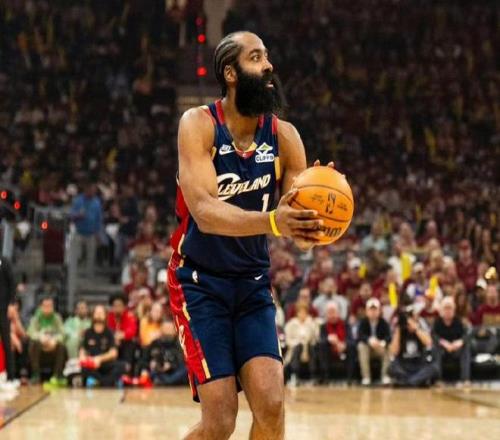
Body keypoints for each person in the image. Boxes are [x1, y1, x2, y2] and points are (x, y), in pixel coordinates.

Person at [168, 31, 331, 440]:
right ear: (231, 73)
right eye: (256, 58)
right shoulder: (199, 125)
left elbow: (299, 234)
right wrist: (275, 221)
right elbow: (205, 213)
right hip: (199, 283)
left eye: (267, 57)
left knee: (272, 407)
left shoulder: (285, 137)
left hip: (252, 283)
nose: (269, 65)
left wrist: (319, 215)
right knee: (220, 422)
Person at [388, 307, 439, 387]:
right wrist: (398, 329)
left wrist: (415, 328)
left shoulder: (420, 329)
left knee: (434, 368)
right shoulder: (400, 332)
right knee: (391, 367)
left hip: (419, 366)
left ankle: (408, 382)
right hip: (404, 367)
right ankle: (415, 381)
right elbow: (394, 352)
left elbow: (428, 343)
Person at [80, 305, 126, 387]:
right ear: (93, 315)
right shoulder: (88, 332)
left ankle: (101, 381)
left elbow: (113, 353)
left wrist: (99, 359)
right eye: (97, 313)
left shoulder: (110, 332)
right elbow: (83, 350)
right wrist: (85, 359)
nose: (99, 315)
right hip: (92, 364)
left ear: (105, 316)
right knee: (83, 368)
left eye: (101, 313)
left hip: (106, 363)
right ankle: (107, 381)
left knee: (122, 366)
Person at [27, 297, 67, 385]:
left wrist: (54, 340)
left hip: (53, 346)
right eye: (45, 306)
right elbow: (31, 332)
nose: (48, 308)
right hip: (40, 346)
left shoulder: (57, 318)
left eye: (50, 306)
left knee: (61, 345)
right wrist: (41, 338)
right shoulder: (36, 318)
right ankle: (36, 375)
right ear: (41, 307)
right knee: (33, 343)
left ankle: (57, 375)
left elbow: (63, 334)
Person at [432, 297, 471, 385]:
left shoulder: (459, 321)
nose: (448, 311)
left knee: (466, 348)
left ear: (454, 310)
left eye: (450, 308)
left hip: (456, 349)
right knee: (435, 349)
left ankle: (465, 379)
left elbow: (466, 335)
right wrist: (444, 343)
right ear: (441, 310)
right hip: (442, 349)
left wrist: (460, 342)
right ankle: (438, 379)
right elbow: (433, 336)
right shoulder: (437, 322)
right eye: (446, 308)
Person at [70, 180, 103, 278]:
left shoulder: (97, 202)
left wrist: (98, 234)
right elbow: (71, 215)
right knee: (76, 255)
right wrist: (78, 215)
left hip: (91, 233)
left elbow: (98, 219)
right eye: (91, 190)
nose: (93, 192)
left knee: (91, 256)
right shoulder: (78, 200)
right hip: (79, 232)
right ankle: (73, 274)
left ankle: (89, 275)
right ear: (86, 189)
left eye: (94, 190)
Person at [139, 320, 188, 386]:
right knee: (151, 372)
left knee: (185, 369)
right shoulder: (155, 343)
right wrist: (150, 365)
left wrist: (171, 365)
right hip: (158, 371)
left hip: (174, 371)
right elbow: (145, 358)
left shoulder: (179, 343)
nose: (167, 331)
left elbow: (181, 359)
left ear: (174, 330)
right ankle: (164, 381)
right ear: (161, 329)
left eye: (169, 329)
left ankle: (165, 381)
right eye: (165, 328)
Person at [357, 298, 391, 385]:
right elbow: (360, 336)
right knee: (361, 346)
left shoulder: (384, 323)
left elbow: (389, 337)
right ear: (366, 311)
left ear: (379, 311)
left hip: (379, 348)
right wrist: (369, 340)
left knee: (389, 349)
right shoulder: (363, 322)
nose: (373, 312)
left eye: (375, 310)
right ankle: (366, 377)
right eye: (371, 310)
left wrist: (382, 343)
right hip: (367, 348)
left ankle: (385, 376)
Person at [283, 303, 318, 385]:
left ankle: (313, 376)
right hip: (295, 349)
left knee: (311, 348)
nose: (302, 314)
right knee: (298, 347)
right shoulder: (291, 324)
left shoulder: (311, 323)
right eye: (300, 312)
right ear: (297, 313)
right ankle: (295, 375)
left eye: (304, 312)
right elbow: (288, 340)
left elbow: (315, 338)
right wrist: (297, 342)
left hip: (308, 349)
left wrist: (306, 340)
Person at [317, 301, 349, 384]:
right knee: (322, 345)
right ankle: (325, 377)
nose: (332, 315)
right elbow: (321, 339)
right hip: (329, 350)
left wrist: (344, 344)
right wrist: (328, 339)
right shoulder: (323, 326)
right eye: (329, 313)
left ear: (338, 313)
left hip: (343, 349)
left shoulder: (345, 324)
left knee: (352, 347)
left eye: (333, 312)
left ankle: (350, 378)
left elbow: (351, 339)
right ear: (326, 314)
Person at [107, 294, 138, 373]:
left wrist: (120, 336)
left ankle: (127, 368)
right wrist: (114, 338)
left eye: (119, 305)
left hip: (125, 343)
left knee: (130, 343)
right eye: (115, 306)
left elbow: (132, 331)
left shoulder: (129, 316)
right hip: (112, 343)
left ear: (124, 307)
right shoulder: (108, 317)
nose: (117, 308)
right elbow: (106, 330)